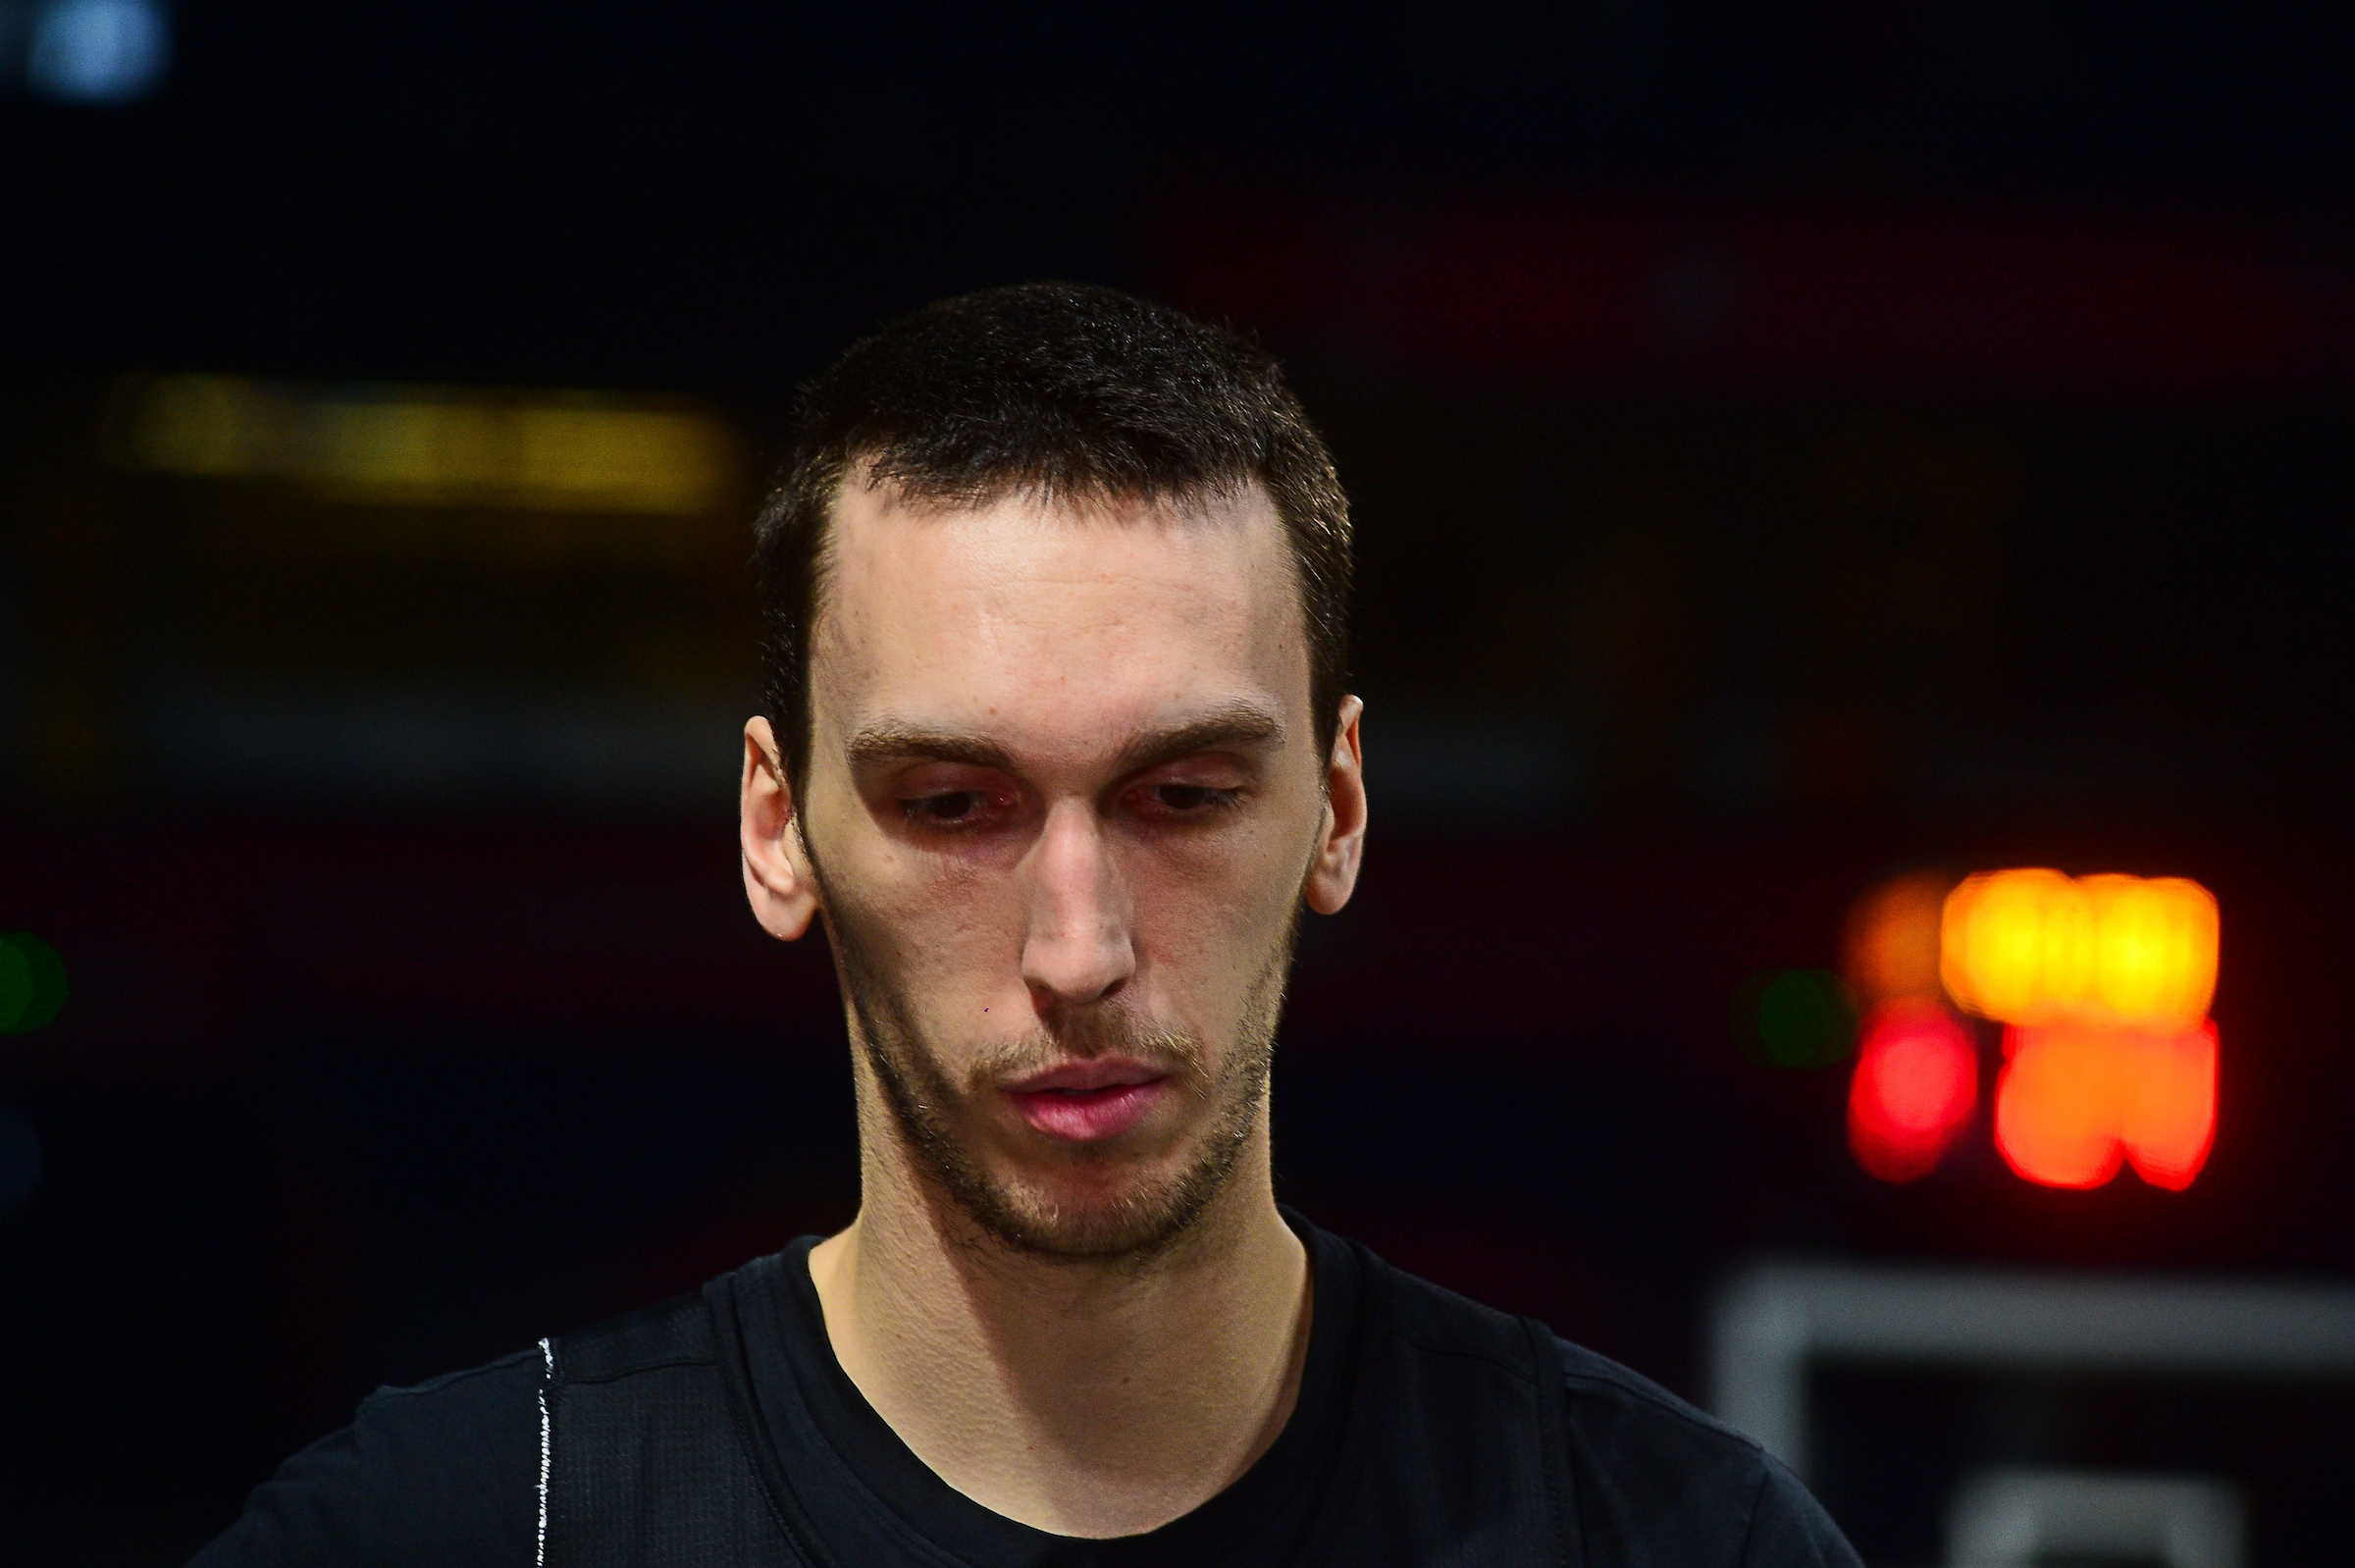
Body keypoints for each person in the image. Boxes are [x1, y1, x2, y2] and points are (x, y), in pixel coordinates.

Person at [192, 284, 1860, 1566]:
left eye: (1183, 793)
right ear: (777, 826)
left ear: (1340, 807)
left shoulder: (1665, 1537)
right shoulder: (468, 1528)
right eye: (952, 803)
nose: (1079, 950)